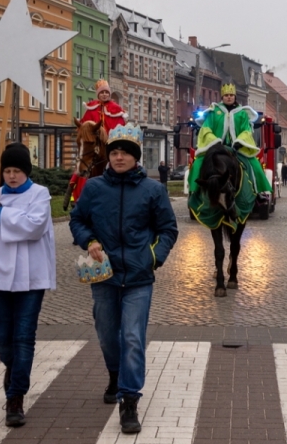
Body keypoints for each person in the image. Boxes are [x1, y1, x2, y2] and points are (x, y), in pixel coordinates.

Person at [70, 124, 178, 434]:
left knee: (132, 336)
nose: (118, 157)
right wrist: (88, 239)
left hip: (139, 277)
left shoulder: (153, 191)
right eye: (114, 152)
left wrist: (154, 257)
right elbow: (78, 219)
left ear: (135, 158)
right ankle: (115, 374)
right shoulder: (93, 188)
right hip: (103, 276)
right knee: (106, 334)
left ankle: (129, 399)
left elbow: (168, 230)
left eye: (125, 153)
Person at [0, 142, 56, 428]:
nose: (12, 176)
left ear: (26, 171)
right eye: (7, 170)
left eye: (17, 170)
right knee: (1, 338)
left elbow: (34, 226)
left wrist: (1, 214)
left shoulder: (39, 194)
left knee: (23, 337)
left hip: (31, 279)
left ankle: (15, 397)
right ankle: (13, 366)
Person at [188, 83, 271, 199]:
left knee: (255, 165)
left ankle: (257, 192)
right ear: (222, 97)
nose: (229, 97)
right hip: (215, 148)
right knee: (197, 164)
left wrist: (239, 142)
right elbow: (206, 129)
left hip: (236, 148)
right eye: (226, 95)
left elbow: (246, 131)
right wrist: (215, 141)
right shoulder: (213, 112)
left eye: (231, 95)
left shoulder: (242, 113)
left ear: (235, 97)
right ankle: (195, 191)